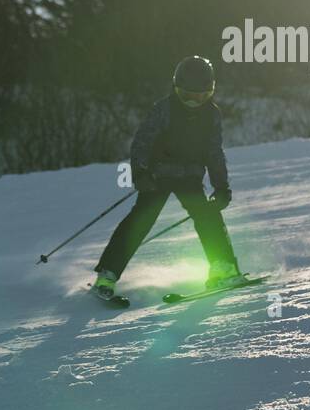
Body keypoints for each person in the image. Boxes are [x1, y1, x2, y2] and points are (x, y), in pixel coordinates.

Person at [92, 55, 241, 303]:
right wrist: (140, 173)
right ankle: (107, 274)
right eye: (187, 95)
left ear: (211, 91)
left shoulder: (212, 115)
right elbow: (142, 142)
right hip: (157, 176)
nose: (194, 102)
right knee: (140, 220)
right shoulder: (164, 109)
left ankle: (223, 267)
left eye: (201, 96)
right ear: (176, 89)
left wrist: (221, 186)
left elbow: (214, 151)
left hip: (190, 177)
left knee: (208, 215)